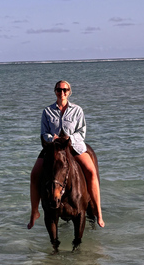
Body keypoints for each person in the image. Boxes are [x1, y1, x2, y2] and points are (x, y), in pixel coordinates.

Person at [27, 80, 105, 229]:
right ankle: (35, 212)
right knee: (34, 174)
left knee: (91, 171)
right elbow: (44, 133)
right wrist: (52, 139)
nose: (61, 93)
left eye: (65, 90)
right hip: (53, 149)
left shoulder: (77, 110)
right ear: (55, 91)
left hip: (74, 147)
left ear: (69, 92)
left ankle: (98, 211)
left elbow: (81, 132)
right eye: (59, 90)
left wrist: (68, 139)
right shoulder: (47, 111)